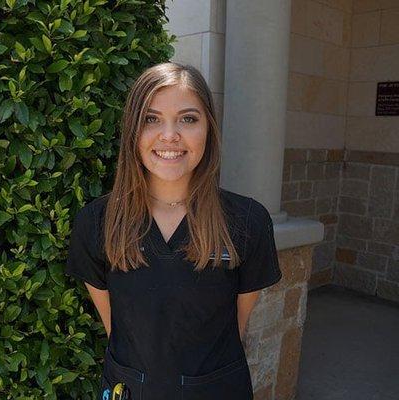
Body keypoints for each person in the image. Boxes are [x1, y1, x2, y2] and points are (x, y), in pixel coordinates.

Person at [65, 62, 282, 400]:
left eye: (188, 118)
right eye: (151, 119)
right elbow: (117, 329)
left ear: (208, 128)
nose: (169, 135)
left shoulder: (247, 221)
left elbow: (234, 327)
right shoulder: (96, 222)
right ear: (132, 130)